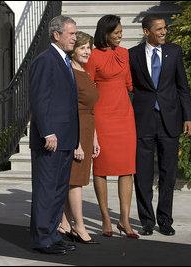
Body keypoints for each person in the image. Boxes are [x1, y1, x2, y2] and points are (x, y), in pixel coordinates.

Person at [128, 14, 191, 237]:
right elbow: (130, 88)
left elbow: (182, 86)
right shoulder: (133, 54)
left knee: (168, 173)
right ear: (147, 32)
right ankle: (147, 221)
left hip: (170, 119)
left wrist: (188, 117)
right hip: (143, 120)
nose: (164, 32)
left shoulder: (174, 52)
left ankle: (165, 220)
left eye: (165, 28)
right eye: (159, 29)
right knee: (143, 174)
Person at [84, 14, 139, 239]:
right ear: (105, 33)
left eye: (121, 32)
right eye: (116, 33)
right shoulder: (93, 56)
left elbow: (129, 84)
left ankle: (124, 220)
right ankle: (106, 217)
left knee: (127, 169)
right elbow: (87, 89)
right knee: (102, 168)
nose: (120, 36)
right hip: (103, 117)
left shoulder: (124, 53)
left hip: (125, 116)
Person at [28, 15, 79, 255]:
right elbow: (39, 99)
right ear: (56, 35)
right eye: (71, 34)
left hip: (66, 138)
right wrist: (47, 131)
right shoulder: (45, 61)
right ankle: (42, 239)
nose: (75, 38)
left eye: (76, 34)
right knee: (46, 190)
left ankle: (52, 234)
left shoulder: (65, 61)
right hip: (50, 139)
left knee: (59, 190)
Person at [58, 31, 100, 244]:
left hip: (86, 130)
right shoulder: (70, 74)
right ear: (73, 50)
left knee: (74, 181)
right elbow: (69, 110)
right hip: (74, 133)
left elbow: (89, 110)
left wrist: (93, 139)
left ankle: (65, 223)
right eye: (83, 47)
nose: (87, 51)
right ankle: (79, 227)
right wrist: (76, 143)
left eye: (89, 48)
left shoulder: (84, 72)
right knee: (75, 182)